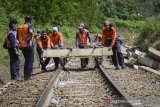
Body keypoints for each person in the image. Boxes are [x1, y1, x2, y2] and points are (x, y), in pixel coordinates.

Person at [17, 15, 34, 80]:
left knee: (27, 59)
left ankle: (25, 74)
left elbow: (17, 37)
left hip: (22, 46)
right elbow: (31, 32)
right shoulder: (29, 26)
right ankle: (28, 75)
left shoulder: (19, 27)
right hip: (29, 45)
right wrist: (29, 37)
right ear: (30, 20)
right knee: (29, 60)